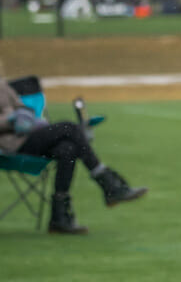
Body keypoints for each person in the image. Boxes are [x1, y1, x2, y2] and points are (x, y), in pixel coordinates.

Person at [0, 76, 147, 234]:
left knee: (67, 149)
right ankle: (108, 183)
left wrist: (25, 115)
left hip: (29, 134)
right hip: (10, 146)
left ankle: (60, 219)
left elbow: (21, 107)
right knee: (69, 128)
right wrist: (11, 120)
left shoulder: (2, 84)